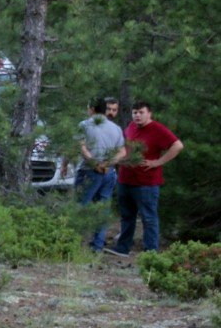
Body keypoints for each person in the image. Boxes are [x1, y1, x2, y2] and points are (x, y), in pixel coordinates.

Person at [105, 101, 183, 257]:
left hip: (146, 183)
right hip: (125, 179)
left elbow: (178, 145)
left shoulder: (157, 129)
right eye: (135, 112)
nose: (137, 115)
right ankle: (123, 248)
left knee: (148, 218)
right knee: (127, 216)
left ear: (149, 113)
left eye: (141, 112)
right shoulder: (131, 127)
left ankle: (150, 252)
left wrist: (158, 162)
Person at [75, 98, 125, 252]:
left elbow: (82, 148)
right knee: (102, 209)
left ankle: (75, 243)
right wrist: (108, 163)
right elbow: (122, 152)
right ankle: (97, 246)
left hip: (88, 171)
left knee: (80, 207)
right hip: (108, 173)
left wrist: (95, 163)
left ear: (91, 109)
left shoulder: (84, 125)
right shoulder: (116, 128)